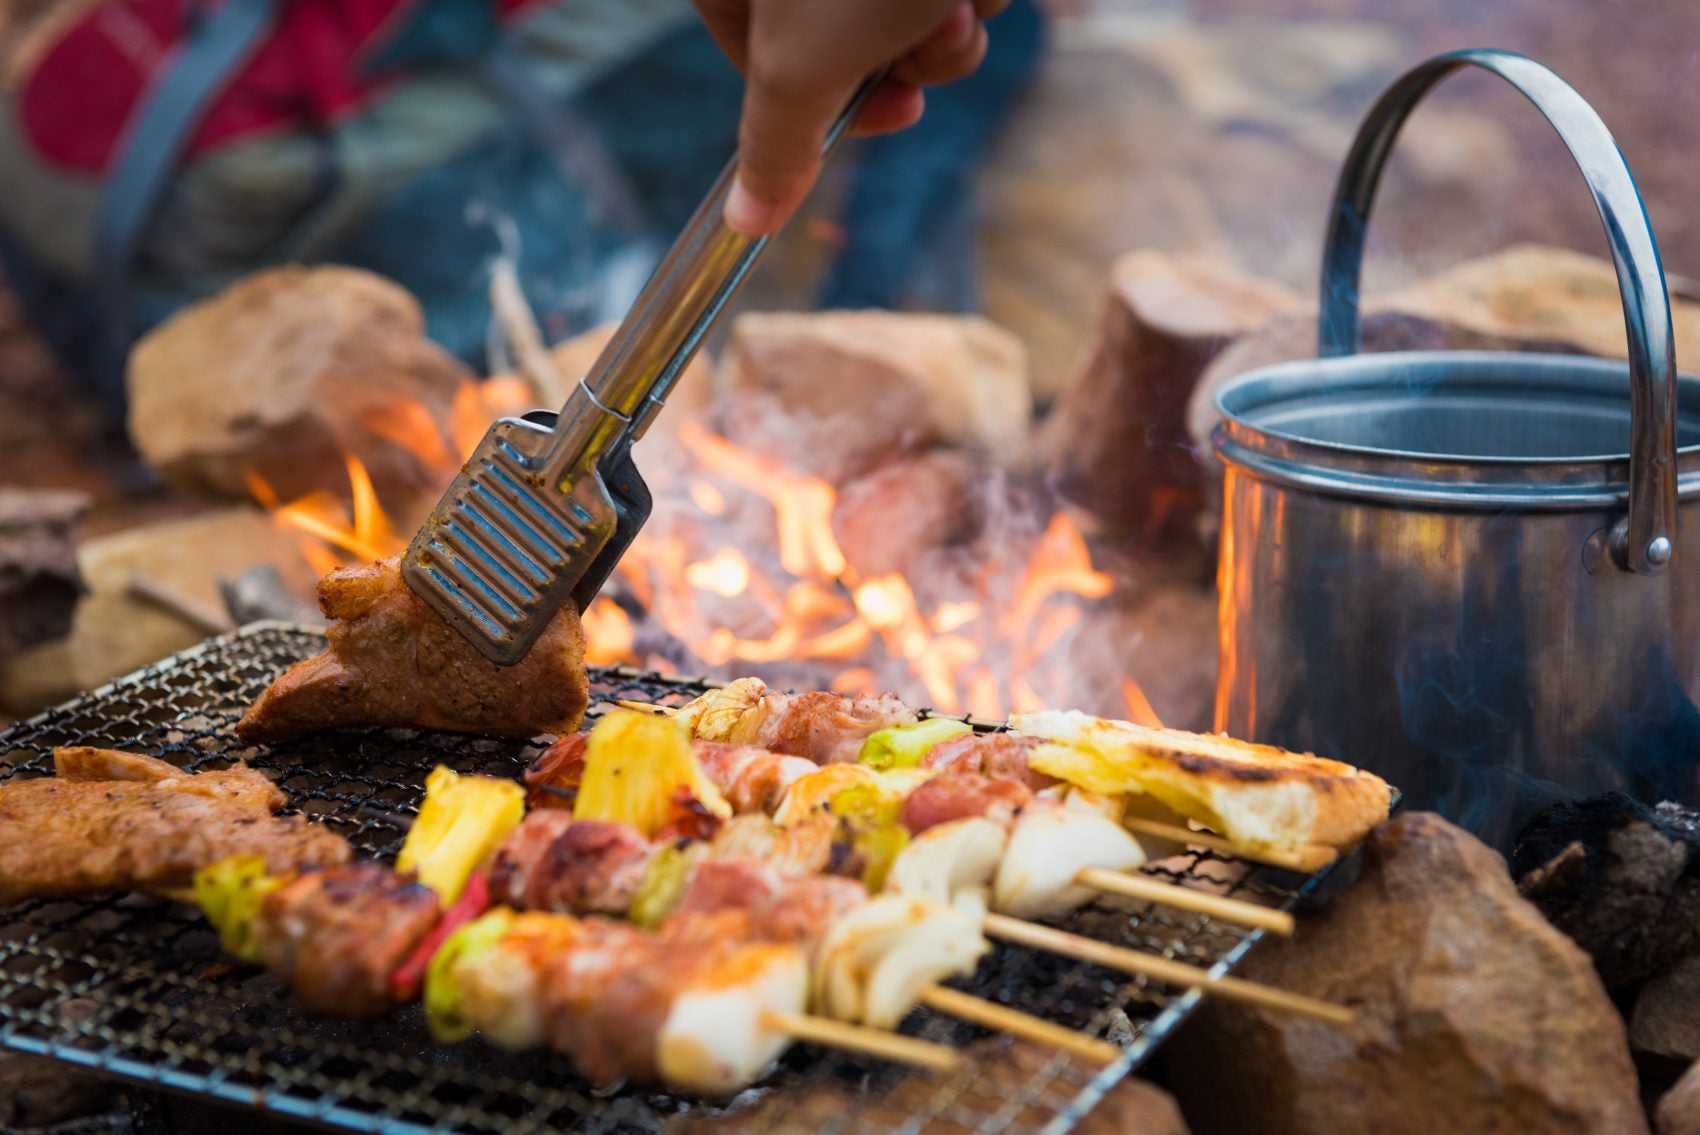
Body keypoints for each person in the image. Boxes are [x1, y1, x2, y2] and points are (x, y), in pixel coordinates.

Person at [0, 0, 1017, 408]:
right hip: (156, 283)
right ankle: (855, 300)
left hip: (64, 253)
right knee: (998, 39)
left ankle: (848, 306)